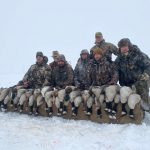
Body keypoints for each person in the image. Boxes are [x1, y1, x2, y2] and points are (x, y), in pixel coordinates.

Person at [115, 38, 150, 112]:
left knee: (142, 88)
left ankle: (146, 109)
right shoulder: (118, 59)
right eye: (121, 47)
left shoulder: (139, 55)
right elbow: (115, 71)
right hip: (127, 85)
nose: (123, 48)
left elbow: (148, 65)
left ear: (129, 46)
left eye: (125, 46)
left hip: (140, 81)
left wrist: (145, 74)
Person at [89, 47, 119, 118]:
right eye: (95, 54)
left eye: (98, 54)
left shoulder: (107, 63)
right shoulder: (91, 65)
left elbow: (115, 74)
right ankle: (99, 111)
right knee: (97, 93)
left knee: (110, 90)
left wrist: (110, 83)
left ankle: (110, 108)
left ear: (101, 55)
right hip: (97, 86)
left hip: (108, 85)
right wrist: (90, 86)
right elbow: (89, 77)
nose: (97, 56)